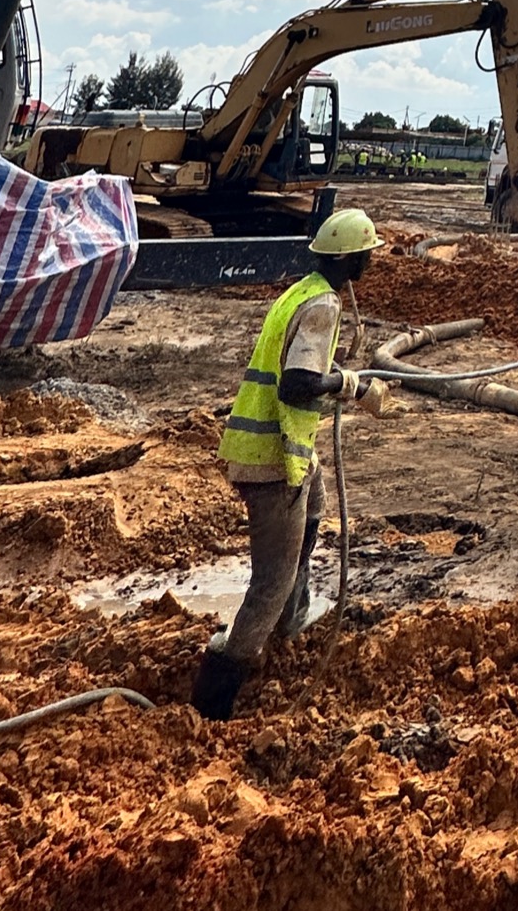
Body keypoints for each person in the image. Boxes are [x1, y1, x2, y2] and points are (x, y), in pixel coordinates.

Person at [190, 208, 385, 721]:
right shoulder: (322, 305)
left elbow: (299, 363)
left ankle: (290, 620)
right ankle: (215, 696)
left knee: (315, 511)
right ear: (352, 257)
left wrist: (343, 375)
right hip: (272, 460)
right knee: (270, 581)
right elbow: (295, 384)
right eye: (368, 252)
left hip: (280, 452)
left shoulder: (303, 291)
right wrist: (352, 387)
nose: (371, 259)